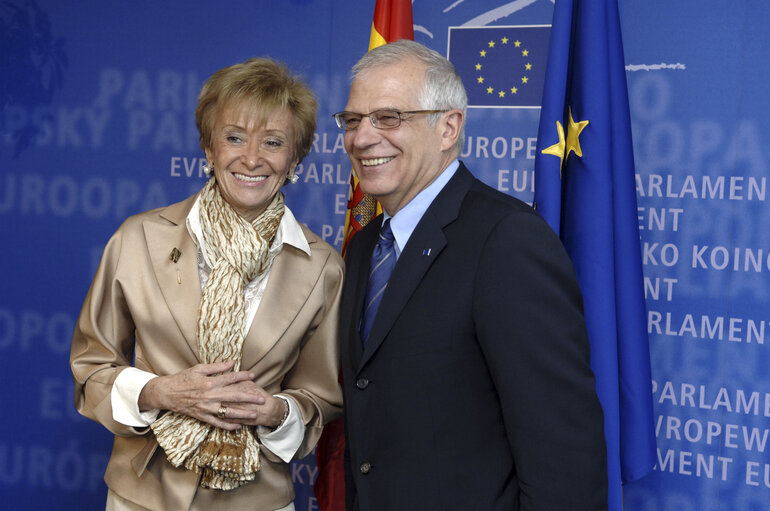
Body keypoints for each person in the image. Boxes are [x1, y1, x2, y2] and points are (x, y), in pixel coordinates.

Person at [334, 40, 608, 510]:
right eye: (353, 120)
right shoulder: (365, 247)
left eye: (389, 118)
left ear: (449, 127)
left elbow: (565, 458)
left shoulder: (507, 240)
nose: (362, 138)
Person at [70, 57, 343, 511]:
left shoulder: (323, 269)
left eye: (272, 142)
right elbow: (91, 368)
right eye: (234, 137)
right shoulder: (136, 239)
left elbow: (321, 400)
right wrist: (158, 392)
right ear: (208, 148)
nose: (251, 158)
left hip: (257, 499)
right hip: (142, 494)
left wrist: (276, 412)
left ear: (295, 159)